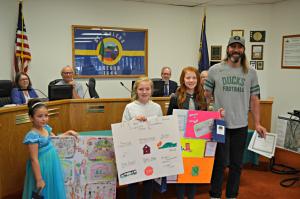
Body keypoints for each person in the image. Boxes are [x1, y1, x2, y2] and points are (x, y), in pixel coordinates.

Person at [204, 36, 266, 199]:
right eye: (233, 46)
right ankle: (215, 195)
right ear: (227, 49)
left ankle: (232, 195)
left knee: (237, 164)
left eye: (239, 47)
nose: (236, 50)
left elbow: (255, 99)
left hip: (241, 124)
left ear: (243, 50)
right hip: (219, 124)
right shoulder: (215, 69)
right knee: (219, 163)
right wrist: (209, 111)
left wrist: (258, 123)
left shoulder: (251, 72)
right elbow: (206, 95)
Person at [22, 99, 78, 199]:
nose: (44, 119)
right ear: (31, 118)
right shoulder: (32, 136)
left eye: (46, 115)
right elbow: (34, 159)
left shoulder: (46, 128)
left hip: (52, 164)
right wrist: (39, 179)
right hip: (42, 167)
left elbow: (54, 138)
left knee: (52, 186)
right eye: (40, 116)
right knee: (43, 190)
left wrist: (68, 133)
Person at [167, 66, 207, 199]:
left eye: (194, 77)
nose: (191, 80)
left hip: (197, 141)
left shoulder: (202, 98)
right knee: (181, 172)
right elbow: (168, 119)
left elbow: (205, 119)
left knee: (194, 170)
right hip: (180, 141)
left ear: (198, 79)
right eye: (188, 77)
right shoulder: (175, 97)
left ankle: (191, 196)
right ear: (183, 80)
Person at [122, 77, 163, 199]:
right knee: (133, 180)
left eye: (147, 89)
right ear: (136, 91)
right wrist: (134, 121)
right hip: (133, 149)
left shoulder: (157, 107)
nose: (144, 92)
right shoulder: (130, 107)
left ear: (151, 90)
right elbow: (123, 128)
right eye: (141, 89)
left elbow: (161, 127)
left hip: (150, 150)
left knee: (148, 180)